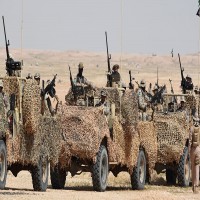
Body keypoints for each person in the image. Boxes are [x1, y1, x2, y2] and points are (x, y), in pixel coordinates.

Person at [190, 119, 200, 194]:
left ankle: (193, 186)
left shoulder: (191, 128)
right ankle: (196, 186)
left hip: (192, 150)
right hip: (198, 150)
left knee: (193, 168)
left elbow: (189, 140)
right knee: (197, 168)